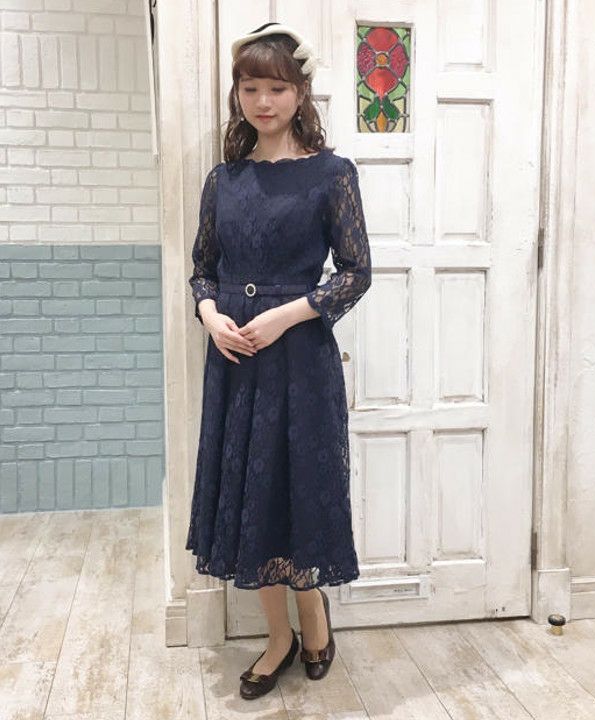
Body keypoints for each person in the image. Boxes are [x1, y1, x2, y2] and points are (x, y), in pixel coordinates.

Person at [185, 21, 372, 700]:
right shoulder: (224, 179)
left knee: (298, 488)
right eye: (250, 88)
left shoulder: (332, 174)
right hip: (236, 359)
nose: (262, 101)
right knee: (250, 499)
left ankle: (313, 616)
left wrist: (287, 314)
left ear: (300, 93)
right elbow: (203, 270)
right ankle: (278, 637)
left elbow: (355, 272)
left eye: (276, 88)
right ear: (237, 95)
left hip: (299, 357)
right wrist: (210, 315)